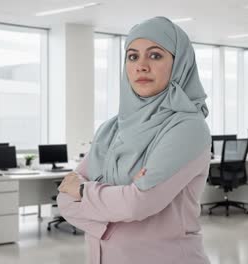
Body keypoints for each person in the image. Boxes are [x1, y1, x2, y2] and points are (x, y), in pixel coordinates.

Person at [57, 16, 211, 264]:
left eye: (155, 55)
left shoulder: (187, 128)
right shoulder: (112, 128)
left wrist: (84, 191)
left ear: (179, 63)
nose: (141, 66)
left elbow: (137, 205)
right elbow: (64, 199)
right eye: (132, 56)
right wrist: (119, 198)